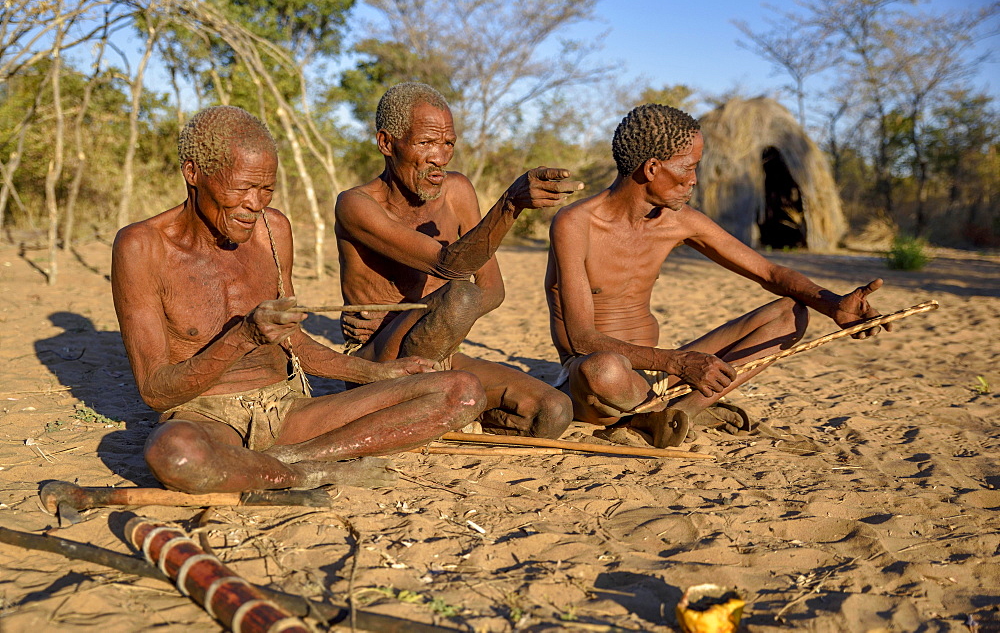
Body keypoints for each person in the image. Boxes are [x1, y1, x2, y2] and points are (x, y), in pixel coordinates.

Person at [112, 106, 487, 494]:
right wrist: (244, 339)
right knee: (175, 454)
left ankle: (293, 461)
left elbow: (294, 342)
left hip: (289, 412)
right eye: (241, 187)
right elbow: (155, 391)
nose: (255, 204)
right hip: (209, 419)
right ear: (193, 173)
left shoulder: (272, 230)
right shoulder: (142, 246)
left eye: (266, 189)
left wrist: (374, 374)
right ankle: (305, 473)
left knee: (462, 392)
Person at [545, 103, 889, 448]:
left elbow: (768, 271)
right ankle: (651, 414)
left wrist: (831, 305)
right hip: (598, 381)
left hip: (661, 376)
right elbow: (582, 339)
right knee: (603, 369)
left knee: (790, 312)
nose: (694, 180)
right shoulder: (575, 224)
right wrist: (678, 362)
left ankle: (684, 412)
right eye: (689, 168)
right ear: (652, 168)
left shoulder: (678, 220)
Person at [335, 82, 578, 439]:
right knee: (459, 293)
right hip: (377, 363)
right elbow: (448, 267)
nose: (441, 157)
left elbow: (493, 290)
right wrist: (510, 204)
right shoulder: (357, 204)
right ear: (387, 143)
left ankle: (444, 410)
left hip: (443, 356)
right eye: (426, 143)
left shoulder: (458, 191)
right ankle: (426, 406)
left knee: (554, 411)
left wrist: (445, 320)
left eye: (448, 143)